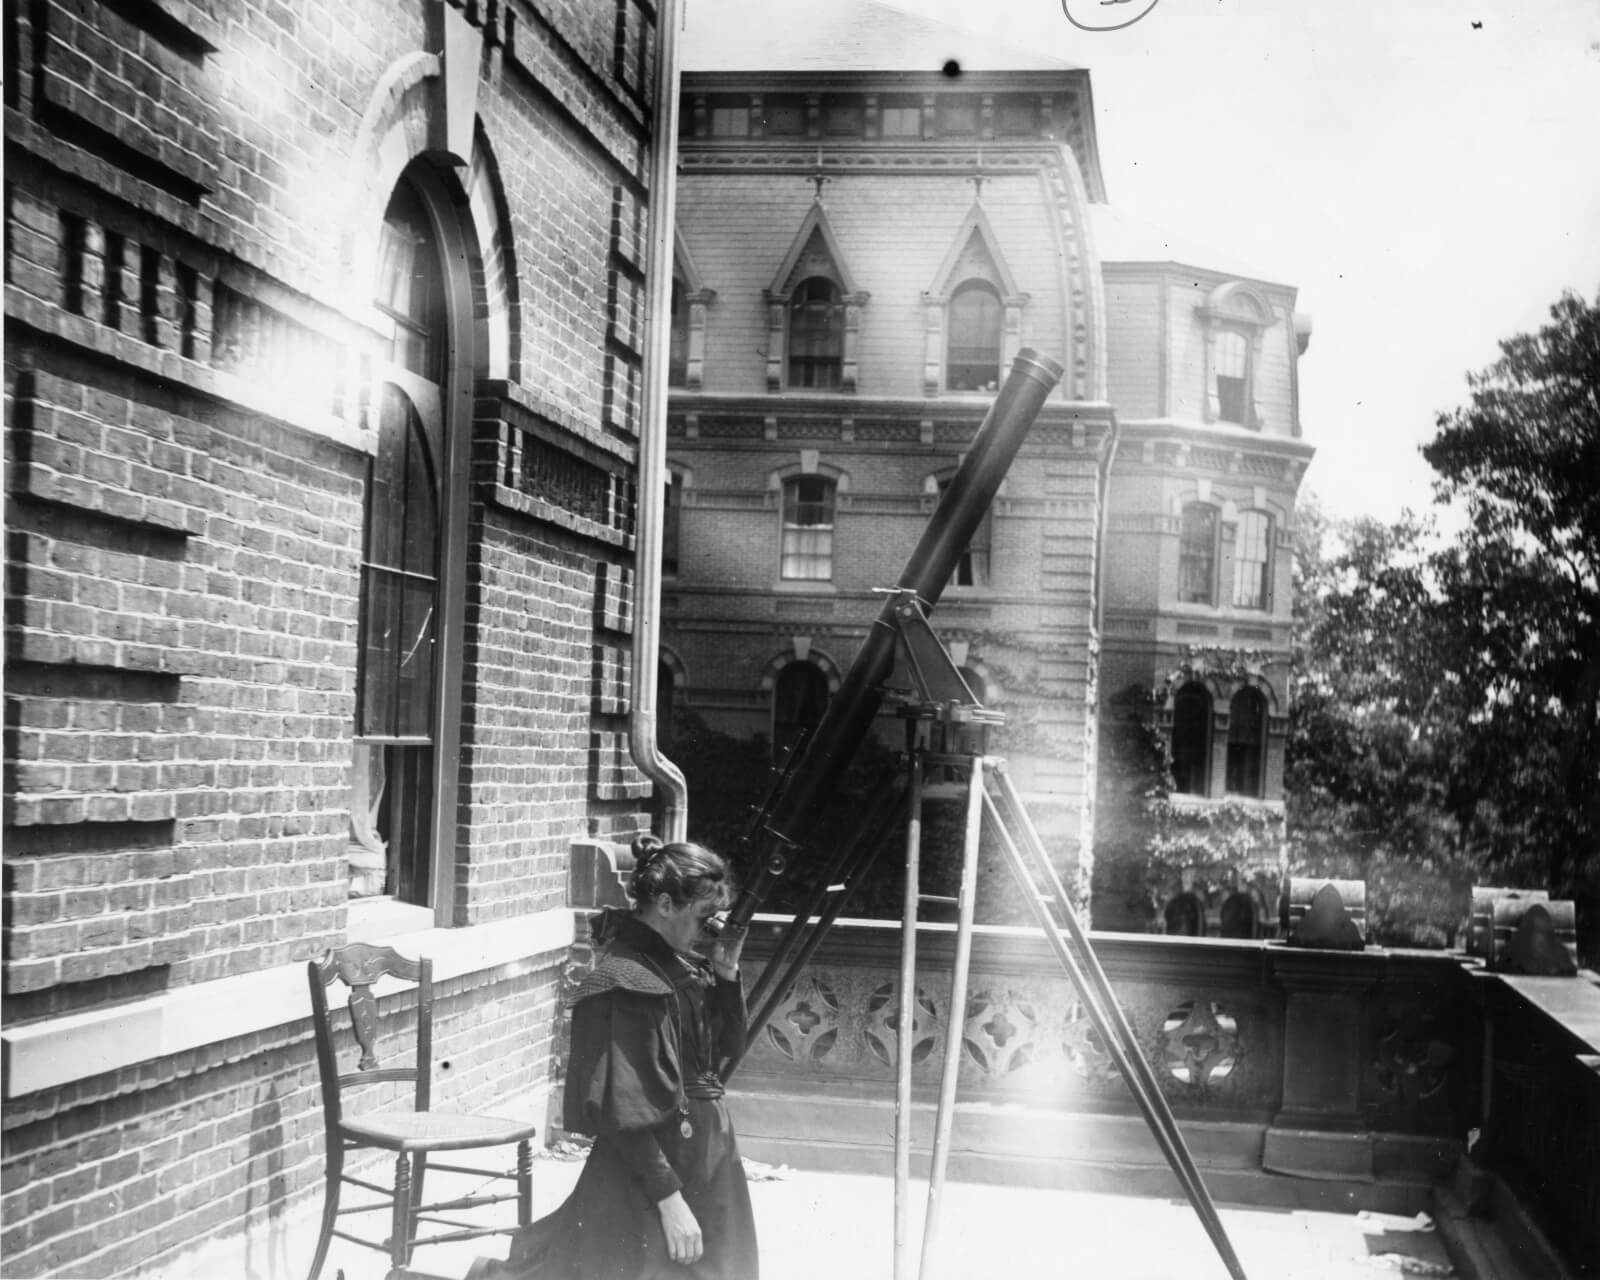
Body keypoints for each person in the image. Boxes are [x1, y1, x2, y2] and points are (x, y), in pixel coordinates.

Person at [476, 836, 760, 1279]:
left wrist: (726, 975)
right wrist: (670, 1201)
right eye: (704, 916)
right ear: (665, 904)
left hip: (705, 1159)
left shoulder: (681, 967)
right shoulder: (623, 981)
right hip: (652, 1175)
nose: (712, 930)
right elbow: (621, 1109)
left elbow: (725, 1053)